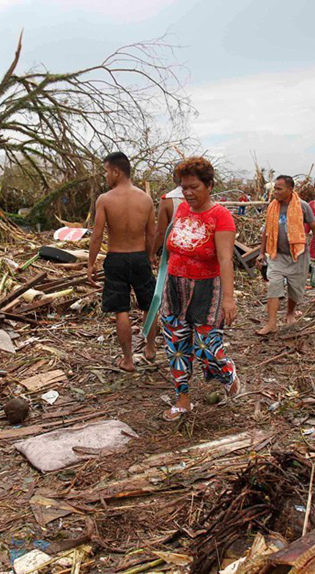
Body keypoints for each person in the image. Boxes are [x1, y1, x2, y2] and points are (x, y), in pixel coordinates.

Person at [161, 157, 239, 421]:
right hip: (175, 287)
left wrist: (229, 299)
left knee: (207, 347)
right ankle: (183, 400)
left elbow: (226, 259)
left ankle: (227, 372)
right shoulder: (182, 209)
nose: (188, 192)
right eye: (184, 187)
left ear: (209, 185)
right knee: (177, 346)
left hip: (207, 289)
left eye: (194, 187)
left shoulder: (221, 216)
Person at [88, 152, 158, 372]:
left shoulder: (105, 200)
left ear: (116, 171)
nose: (106, 176)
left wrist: (90, 264)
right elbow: (151, 234)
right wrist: (149, 256)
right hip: (139, 257)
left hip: (116, 259)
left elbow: (97, 235)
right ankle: (150, 348)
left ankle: (128, 360)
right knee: (149, 305)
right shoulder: (145, 199)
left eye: (107, 171)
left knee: (121, 311)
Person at [255, 175, 315, 335]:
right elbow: (266, 231)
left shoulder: (302, 206)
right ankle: (271, 323)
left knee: (295, 288)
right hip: (277, 255)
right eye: (275, 189)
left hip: (298, 255)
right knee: (274, 285)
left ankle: (290, 313)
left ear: (290, 189)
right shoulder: (272, 207)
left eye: (279, 189)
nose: (275, 192)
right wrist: (261, 253)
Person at [152, 167, 185, 261]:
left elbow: (161, 232)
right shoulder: (202, 200)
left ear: (174, 177)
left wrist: (151, 254)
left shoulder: (168, 199)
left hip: (173, 254)